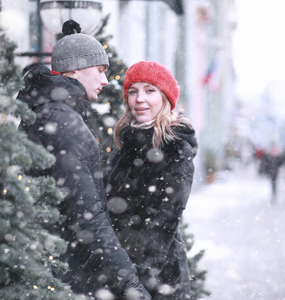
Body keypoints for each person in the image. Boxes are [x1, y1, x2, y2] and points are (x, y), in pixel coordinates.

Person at [18, 20, 151, 299]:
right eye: (100, 71)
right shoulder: (63, 123)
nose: (105, 81)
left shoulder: (49, 113)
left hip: (47, 265)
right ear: (76, 69)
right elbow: (87, 217)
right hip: (66, 274)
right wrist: (130, 284)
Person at [104, 61, 198, 299]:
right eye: (133, 91)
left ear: (165, 97)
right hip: (118, 267)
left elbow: (167, 215)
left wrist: (139, 273)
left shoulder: (175, 145)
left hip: (156, 274)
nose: (139, 99)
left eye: (149, 90)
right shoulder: (124, 139)